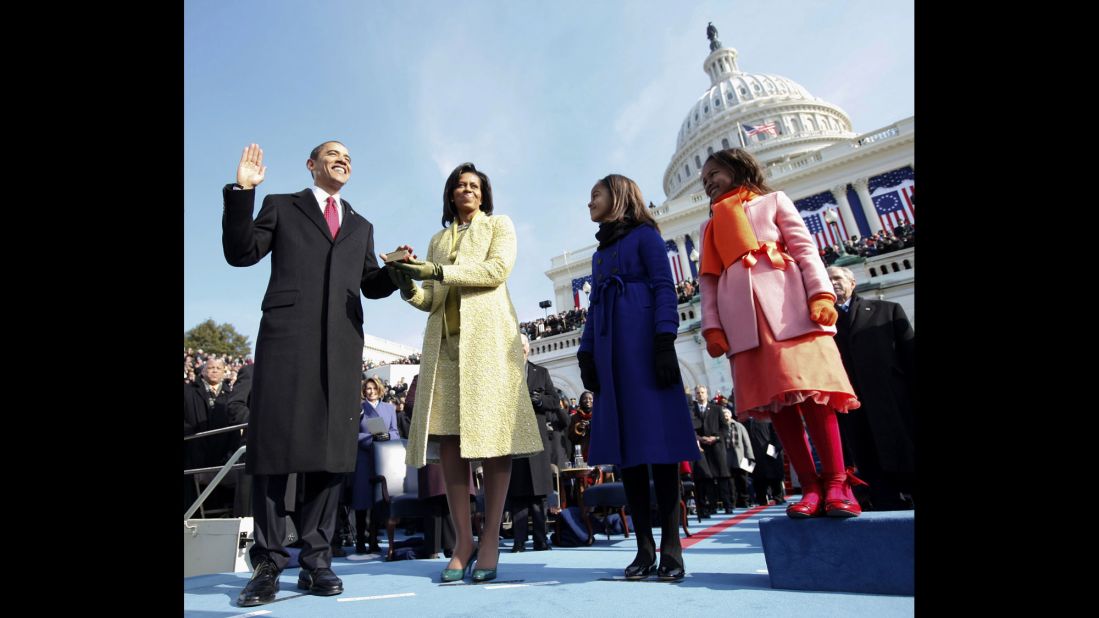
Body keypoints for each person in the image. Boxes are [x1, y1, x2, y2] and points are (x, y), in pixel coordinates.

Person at [222, 142, 398, 606]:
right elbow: (241, 253)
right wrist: (242, 191)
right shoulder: (282, 206)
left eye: (349, 156)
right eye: (333, 153)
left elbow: (371, 285)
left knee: (331, 454)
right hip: (286, 342)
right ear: (312, 164)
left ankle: (317, 560)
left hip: (341, 348)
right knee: (275, 449)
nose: (343, 159)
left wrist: (396, 271)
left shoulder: (361, 225)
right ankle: (268, 563)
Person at [388, 162, 543, 583]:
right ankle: (463, 540)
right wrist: (407, 283)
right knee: (450, 444)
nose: (467, 190)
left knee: (494, 442)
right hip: (446, 348)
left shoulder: (499, 226)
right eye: (460, 185)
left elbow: (496, 273)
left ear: (483, 194)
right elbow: (431, 299)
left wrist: (436, 271)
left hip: (489, 345)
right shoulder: (438, 239)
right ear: (450, 195)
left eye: (474, 185)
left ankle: (490, 535)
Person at [697, 148, 862, 521]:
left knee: (816, 399)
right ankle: (810, 485)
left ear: (738, 169)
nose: (708, 181)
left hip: (790, 311)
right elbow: (708, 282)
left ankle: (837, 482)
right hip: (746, 325)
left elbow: (805, 249)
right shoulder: (709, 226)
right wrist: (713, 326)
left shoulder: (773, 201)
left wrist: (821, 294)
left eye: (715, 173)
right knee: (778, 407)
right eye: (704, 178)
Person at [576, 174, 699, 581]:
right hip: (611, 353)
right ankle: (643, 545)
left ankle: (671, 545)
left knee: (660, 447)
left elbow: (665, 287)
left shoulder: (646, 236)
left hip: (644, 347)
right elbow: (594, 306)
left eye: (595, 195)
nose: (589, 202)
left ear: (618, 195)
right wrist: (586, 351)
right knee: (626, 448)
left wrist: (665, 338)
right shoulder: (600, 253)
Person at [827, 266, 915, 510]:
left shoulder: (887, 310)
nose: (832, 283)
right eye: (827, 280)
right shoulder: (822, 325)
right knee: (869, 461)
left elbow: (909, 356)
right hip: (854, 408)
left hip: (893, 403)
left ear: (852, 282)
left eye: (837, 278)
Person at [507, 333, 558, 552]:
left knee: (538, 493)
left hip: (537, 437)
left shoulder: (542, 372)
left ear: (528, 348)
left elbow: (554, 401)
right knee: (518, 493)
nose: (520, 349)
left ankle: (541, 540)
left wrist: (540, 400)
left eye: (523, 345)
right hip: (514, 437)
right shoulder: (505, 373)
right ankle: (519, 541)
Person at [350, 376, 401, 554]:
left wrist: (386, 437)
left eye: (373, 388)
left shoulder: (389, 408)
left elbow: (395, 431)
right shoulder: (359, 408)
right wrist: (371, 438)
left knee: (377, 500)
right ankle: (359, 542)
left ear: (379, 389)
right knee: (361, 499)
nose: (370, 392)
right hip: (363, 458)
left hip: (382, 459)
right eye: (367, 389)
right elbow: (351, 435)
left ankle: (373, 541)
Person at [688, 385, 733, 516]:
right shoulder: (693, 411)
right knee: (706, 478)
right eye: (698, 393)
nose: (700, 395)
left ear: (707, 394)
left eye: (702, 392)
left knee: (722, 477)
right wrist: (699, 438)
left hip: (717, 447)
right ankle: (710, 506)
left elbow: (725, 428)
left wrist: (716, 437)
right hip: (701, 448)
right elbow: (691, 429)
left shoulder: (717, 409)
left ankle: (727, 505)